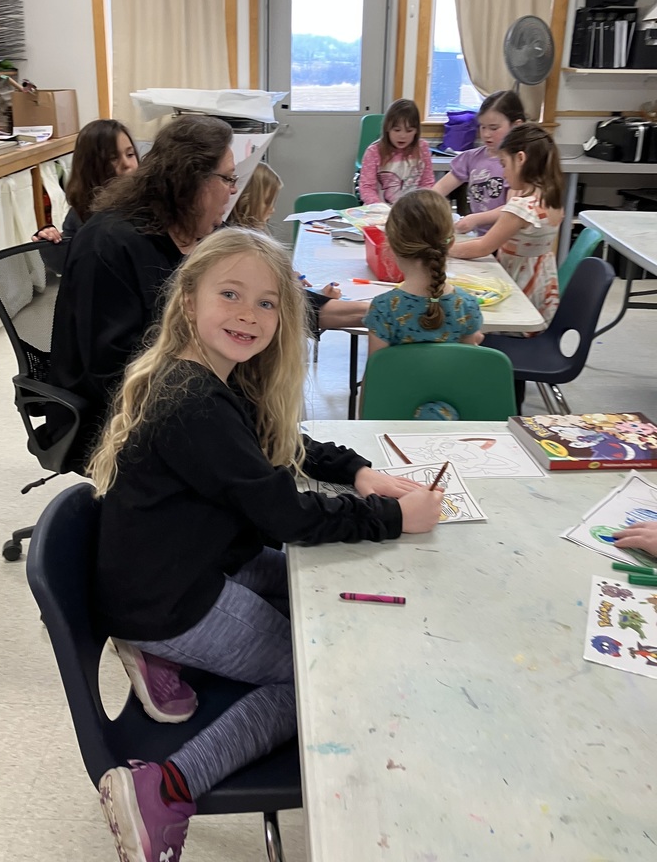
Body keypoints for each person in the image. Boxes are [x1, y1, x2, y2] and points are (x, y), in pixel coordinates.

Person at [90, 226, 443, 862]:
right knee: (311, 677)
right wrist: (390, 518)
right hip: (171, 596)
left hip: (187, 563)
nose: (249, 315)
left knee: (313, 583)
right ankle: (166, 787)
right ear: (188, 298)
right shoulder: (192, 402)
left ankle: (159, 654)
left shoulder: (213, 377)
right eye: (230, 294)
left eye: (266, 302)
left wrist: (358, 472)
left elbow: (277, 445)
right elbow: (286, 515)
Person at [47, 113, 238, 468]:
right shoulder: (108, 245)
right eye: (227, 179)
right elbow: (113, 370)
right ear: (190, 181)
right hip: (115, 415)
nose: (233, 190)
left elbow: (245, 288)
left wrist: (321, 309)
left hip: (172, 390)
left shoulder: (189, 233)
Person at [228, 162, 371, 329]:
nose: (273, 210)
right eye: (268, 203)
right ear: (249, 201)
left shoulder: (255, 241)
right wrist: (314, 293)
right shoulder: (241, 250)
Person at [447, 123, 564, 328]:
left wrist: (441, 248)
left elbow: (483, 247)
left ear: (520, 159)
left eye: (503, 164)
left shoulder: (521, 207)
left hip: (519, 293)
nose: (503, 173)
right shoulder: (549, 197)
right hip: (541, 290)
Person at [364, 189, 484, 356]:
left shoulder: (384, 309)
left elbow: (375, 378)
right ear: (450, 244)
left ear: (391, 244)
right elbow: (468, 368)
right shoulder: (467, 306)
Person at [432, 90, 526, 235]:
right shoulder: (472, 158)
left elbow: (510, 209)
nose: (486, 134)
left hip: (505, 239)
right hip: (479, 236)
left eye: (494, 128)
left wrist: (475, 219)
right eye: (482, 127)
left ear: (516, 126)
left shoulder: (517, 163)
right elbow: (440, 189)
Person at [32, 118, 139, 242]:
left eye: (130, 154)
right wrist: (50, 242)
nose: (127, 164)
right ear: (92, 167)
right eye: (113, 158)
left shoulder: (150, 203)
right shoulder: (78, 216)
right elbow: (67, 259)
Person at [359, 98, 434, 206]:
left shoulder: (422, 148)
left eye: (409, 131)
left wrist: (421, 205)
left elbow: (427, 183)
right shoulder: (374, 152)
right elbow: (367, 187)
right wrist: (379, 207)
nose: (402, 136)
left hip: (412, 209)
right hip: (379, 210)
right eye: (397, 130)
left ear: (416, 130)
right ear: (387, 128)